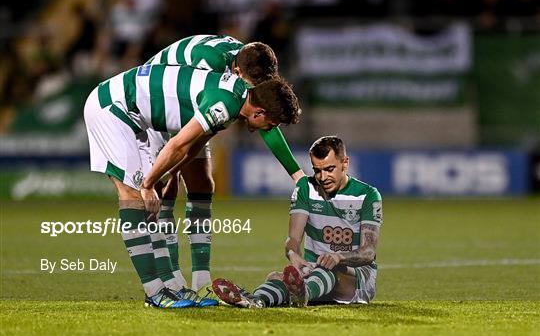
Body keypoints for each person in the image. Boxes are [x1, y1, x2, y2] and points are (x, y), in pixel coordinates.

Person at [83, 63, 301, 308]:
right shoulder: (223, 105)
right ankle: (154, 293)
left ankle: (168, 287)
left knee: (150, 200)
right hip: (114, 108)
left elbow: (192, 146)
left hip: (137, 117)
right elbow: (177, 145)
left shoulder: (236, 98)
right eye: (270, 125)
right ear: (259, 112)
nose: (268, 130)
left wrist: (170, 174)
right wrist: (148, 183)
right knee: (133, 195)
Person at [144, 35, 304, 294]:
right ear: (236, 71)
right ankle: (170, 278)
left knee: (203, 184)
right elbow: (184, 119)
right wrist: (172, 169)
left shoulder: (253, 64)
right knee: (167, 190)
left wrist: (297, 174)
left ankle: (201, 280)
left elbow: (266, 118)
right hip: (157, 104)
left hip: (187, 110)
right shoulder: (209, 66)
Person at [212, 136, 382, 308]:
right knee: (276, 278)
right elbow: (293, 239)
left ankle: (303, 292)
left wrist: (338, 257)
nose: (323, 177)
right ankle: (256, 300)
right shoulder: (306, 189)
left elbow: (368, 252)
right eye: (317, 170)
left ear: (345, 163)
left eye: (330, 169)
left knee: (325, 271)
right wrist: (293, 254)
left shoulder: (367, 195)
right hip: (313, 271)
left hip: (355, 279)